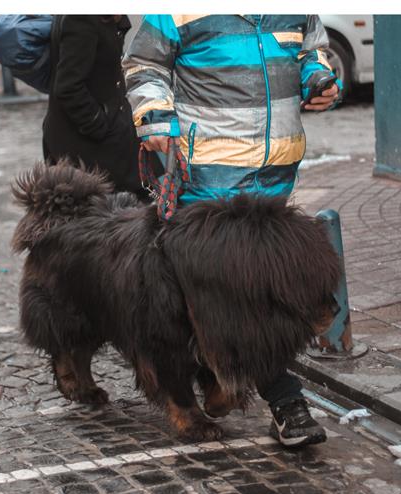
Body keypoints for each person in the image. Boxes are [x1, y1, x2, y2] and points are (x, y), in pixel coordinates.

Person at [123, 15, 341, 447]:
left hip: (277, 177)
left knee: (263, 288)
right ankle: (285, 403)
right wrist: (154, 116)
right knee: (242, 292)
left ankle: (226, 376)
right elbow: (143, 64)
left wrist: (319, 78)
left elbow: (312, 50)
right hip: (208, 179)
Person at [43, 15, 141, 194]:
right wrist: (100, 125)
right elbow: (68, 87)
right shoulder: (82, 19)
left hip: (104, 136)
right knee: (102, 212)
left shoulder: (105, 18)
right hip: (85, 145)